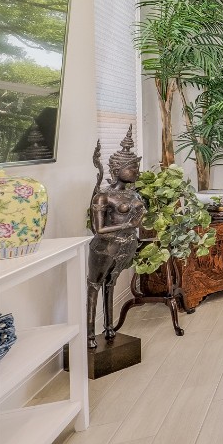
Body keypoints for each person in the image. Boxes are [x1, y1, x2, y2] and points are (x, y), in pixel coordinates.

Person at [87, 128, 146, 348]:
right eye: (132, 168)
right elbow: (98, 229)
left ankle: (110, 328)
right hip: (105, 247)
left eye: (136, 167)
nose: (136, 171)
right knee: (95, 286)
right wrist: (128, 224)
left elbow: (137, 216)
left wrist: (137, 221)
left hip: (126, 245)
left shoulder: (134, 194)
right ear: (117, 169)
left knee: (112, 283)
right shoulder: (104, 196)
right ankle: (90, 335)